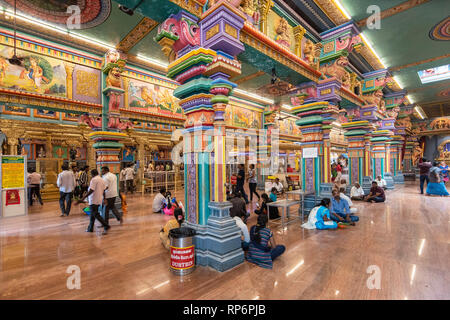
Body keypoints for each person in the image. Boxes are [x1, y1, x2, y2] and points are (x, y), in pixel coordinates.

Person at [77, 169, 110, 235]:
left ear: (92, 174)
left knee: (95, 214)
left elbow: (91, 190)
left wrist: (83, 198)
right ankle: (90, 228)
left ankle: (106, 225)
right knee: (92, 215)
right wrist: (104, 198)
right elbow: (104, 190)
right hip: (99, 199)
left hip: (94, 199)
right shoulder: (101, 179)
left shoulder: (94, 180)